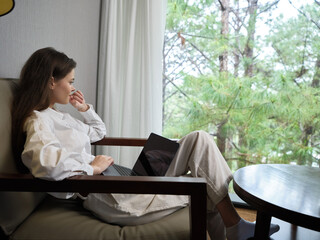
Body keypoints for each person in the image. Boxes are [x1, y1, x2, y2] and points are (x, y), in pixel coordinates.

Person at [11, 47, 279, 240]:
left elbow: (98, 131)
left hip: (120, 181)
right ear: (50, 81)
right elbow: (45, 165)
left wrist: (83, 109)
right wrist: (90, 167)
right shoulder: (37, 121)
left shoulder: (58, 116)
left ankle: (235, 229)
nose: (72, 88)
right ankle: (235, 228)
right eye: (70, 82)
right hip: (110, 197)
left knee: (199, 138)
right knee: (205, 186)